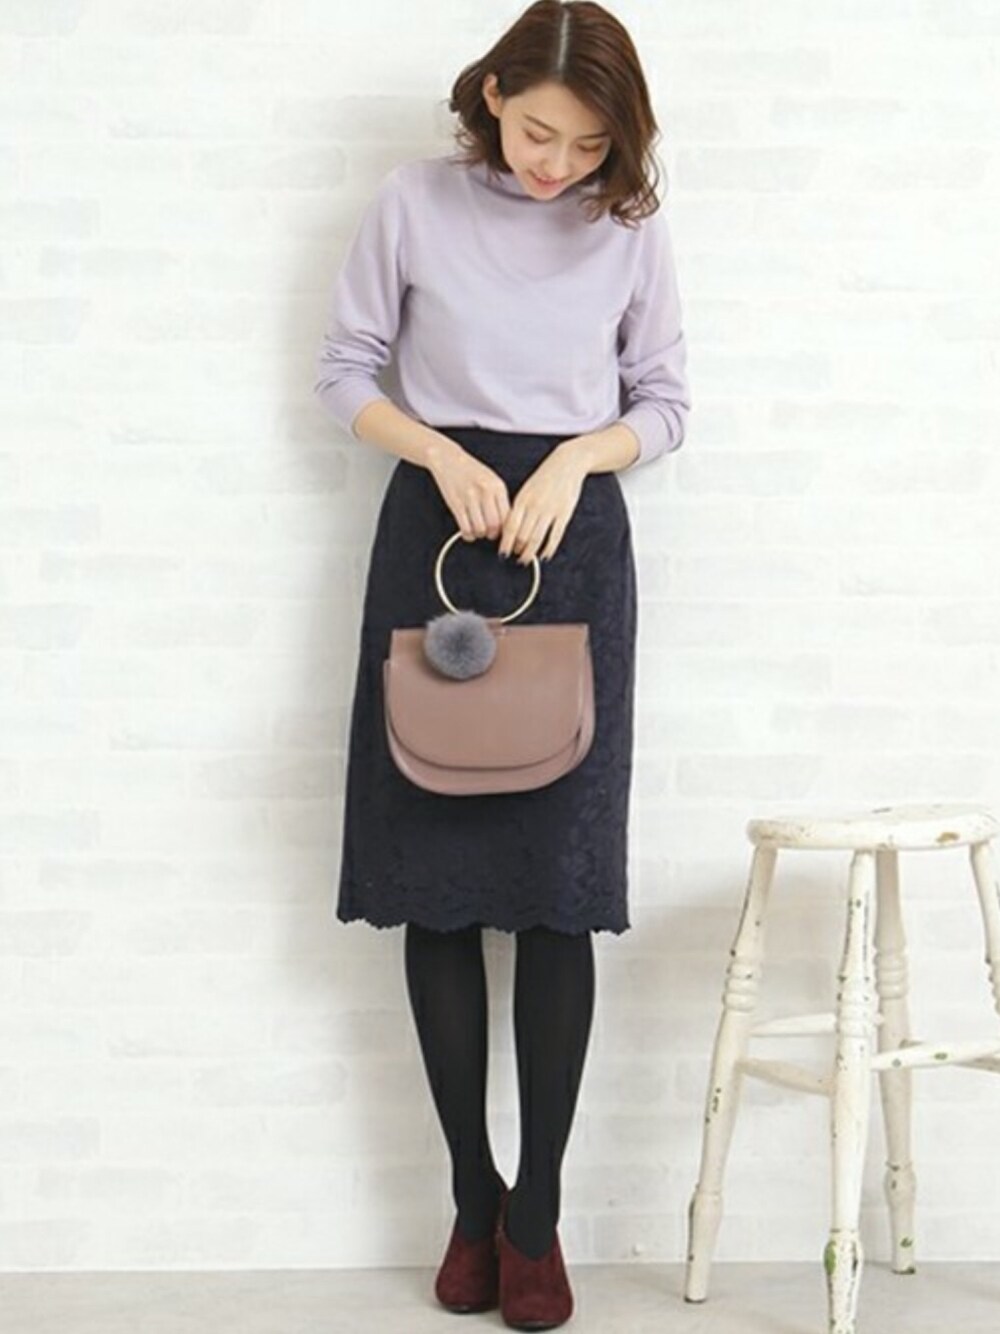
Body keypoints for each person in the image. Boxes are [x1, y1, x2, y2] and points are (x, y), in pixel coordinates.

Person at [313, 1, 690, 1327]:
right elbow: (345, 371)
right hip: (436, 534)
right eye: (539, 133)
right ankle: (471, 1198)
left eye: (588, 145)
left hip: (572, 550)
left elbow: (666, 403)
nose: (557, 165)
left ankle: (536, 1217)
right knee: (438, 887)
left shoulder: (626, 227)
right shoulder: (412, 203)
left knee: (556, 891)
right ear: (491, 98)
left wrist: (580, 457)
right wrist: (438, 451)